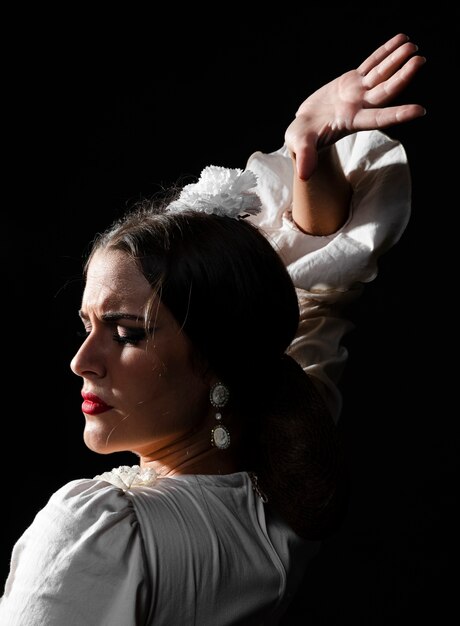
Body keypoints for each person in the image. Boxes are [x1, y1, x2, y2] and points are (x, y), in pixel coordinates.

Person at [0, 33, 425, 625]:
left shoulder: (96, 533)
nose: (82, 361)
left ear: (217, 357)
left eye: (125, 333)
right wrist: (307, 154)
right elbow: (318, 299)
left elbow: (309, 301)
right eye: (87, 326)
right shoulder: (285, 496)